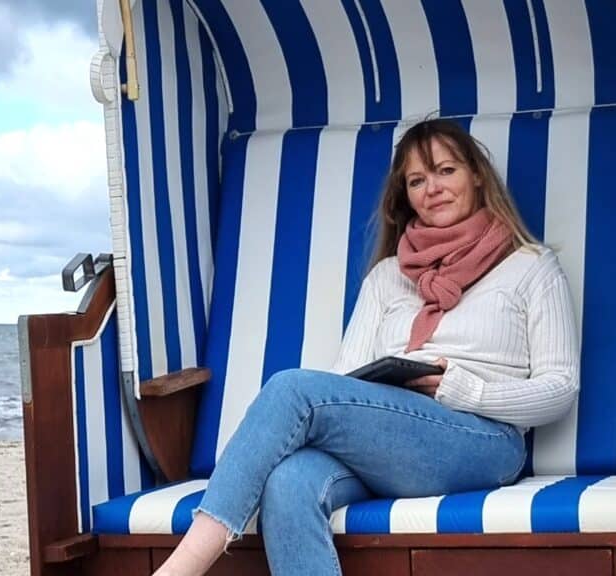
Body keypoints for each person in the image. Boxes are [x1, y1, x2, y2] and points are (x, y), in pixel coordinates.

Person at [154, 119, 580, 576]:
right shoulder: (387, 276)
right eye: (417, 180)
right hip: (388, 441)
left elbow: (561, 388)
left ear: (476, 175)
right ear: (405, 195)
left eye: (446, 171)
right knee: (288, 481)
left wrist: (463, 390)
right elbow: (346, 379)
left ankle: (184, 567)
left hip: (483, 440)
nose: (433, 188)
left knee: (291, 389)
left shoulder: (530, 266)